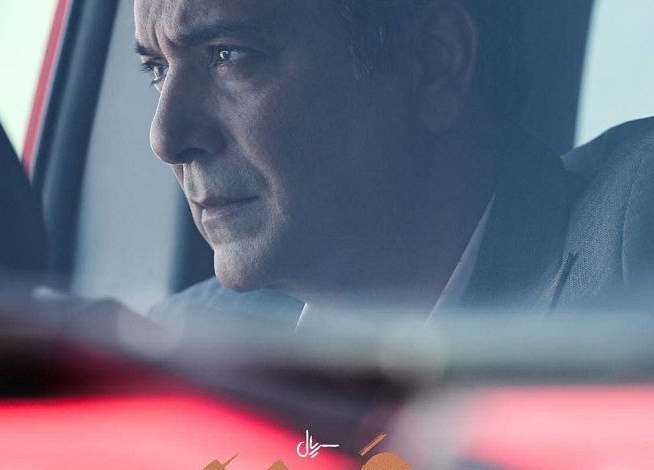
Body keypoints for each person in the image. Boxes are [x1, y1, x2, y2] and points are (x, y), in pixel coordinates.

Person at [134, 0, 654, 330]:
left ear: (432, 64)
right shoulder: (184, 345)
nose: (165, 139)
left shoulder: (634, 241)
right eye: (156, 68)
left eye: (228, 55)